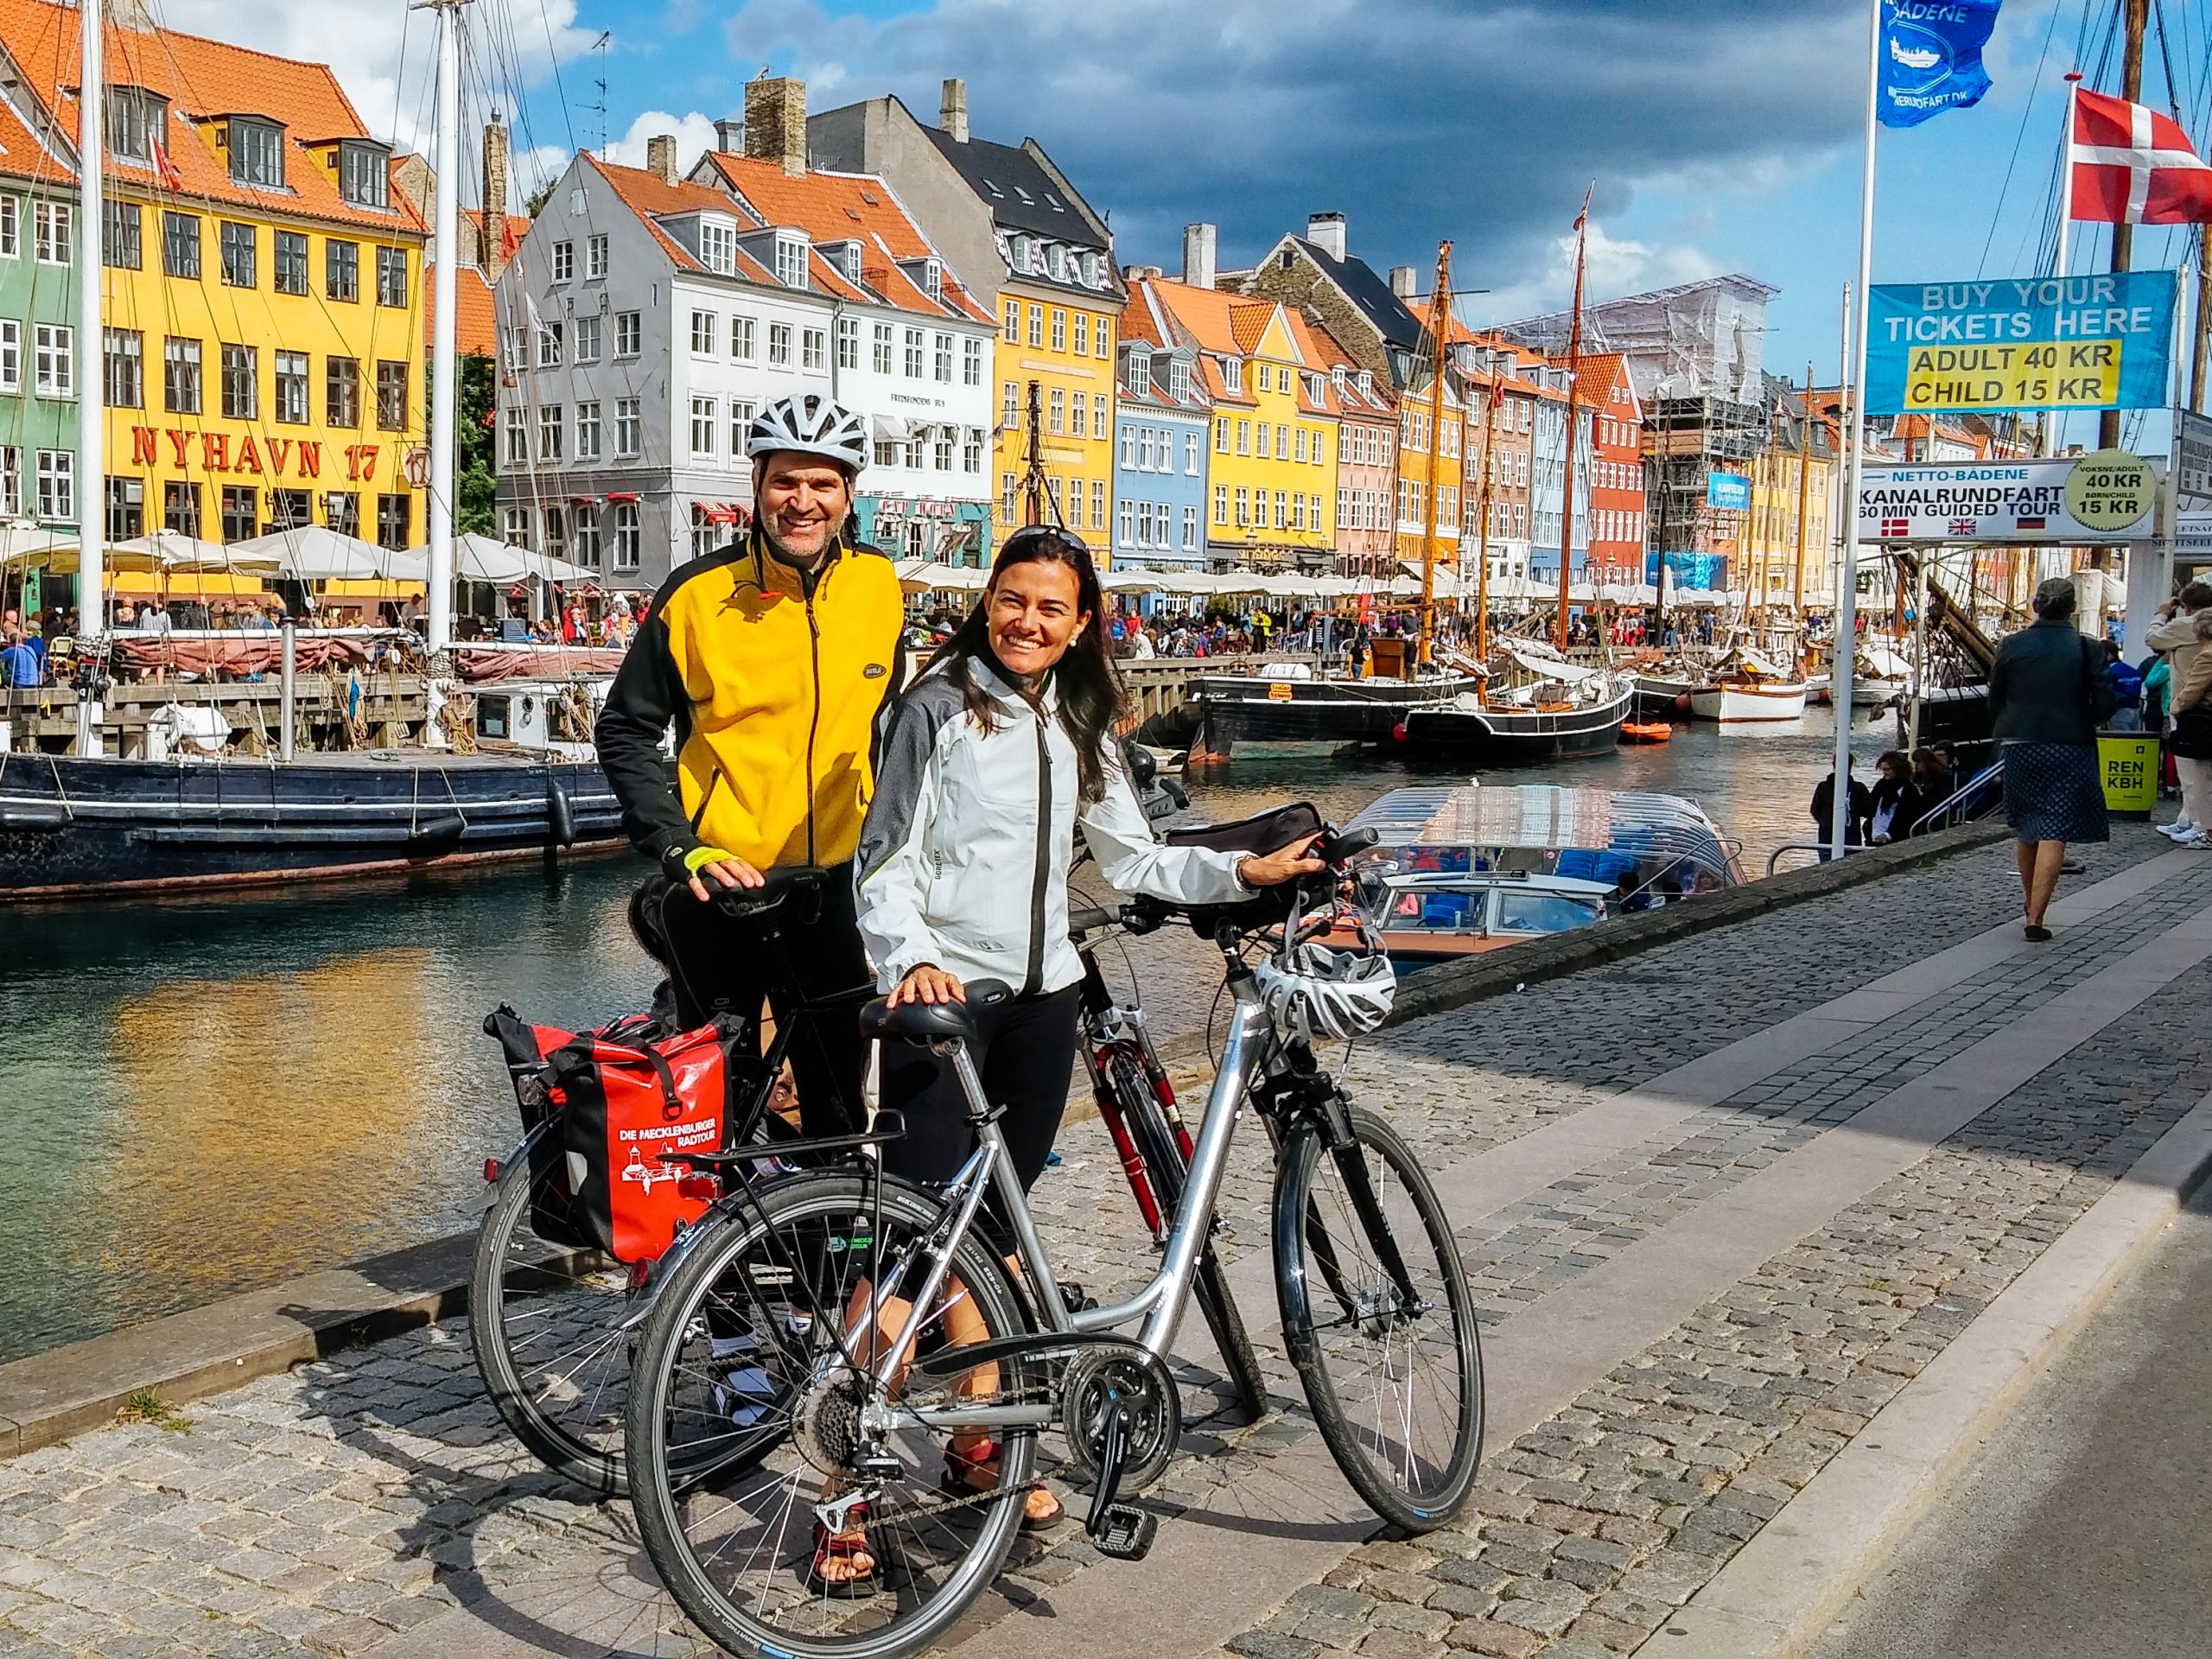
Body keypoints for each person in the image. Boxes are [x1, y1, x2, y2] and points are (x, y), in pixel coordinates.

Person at [848, 524, 1326, 1574]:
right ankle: (848, 1487)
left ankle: (981, 1451)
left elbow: (1133, 859)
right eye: (1012, 600)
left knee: (998, 1240)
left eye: (1049, 607)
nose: (1027, 621)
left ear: (1080, 623)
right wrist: (910, 960)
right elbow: (881, 862)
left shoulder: (1081, 719)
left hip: (1044, 1000)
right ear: (989, 603)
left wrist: (1238, 878)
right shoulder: (934, 709)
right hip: (949, 997)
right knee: (913, 1243)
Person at [594, 393, 901, 1138]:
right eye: (784, 482)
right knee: (716, 1114)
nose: (803, 502)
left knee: (836, 1106)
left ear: (849, 494)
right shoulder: (697, 598)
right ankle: (712, 1254)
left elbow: (890, 734)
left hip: (833, 895)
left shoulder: (878, 588)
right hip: (727, 893)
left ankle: (829, 1250)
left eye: (822, 484)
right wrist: (678, 845)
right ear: (757, 487)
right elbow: (626, 730)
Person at [1989, 576, 2114, 940]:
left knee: (2028, 826)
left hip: (2019, 742)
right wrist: (2082, 715)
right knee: (2055, 826)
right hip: (2069, 743)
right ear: (2072, 609)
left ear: (2036, 606)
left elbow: (1996, 696)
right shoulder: (2084, 647)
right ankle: (2036, 918)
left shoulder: (2012, 645)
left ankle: (2030, 904)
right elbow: (2105, 702)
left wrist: (2007, 725)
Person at [2148, 582, 2211, 840]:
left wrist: (2162, 614)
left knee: (2194, 770)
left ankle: (2200, 824)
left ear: (2186, 607)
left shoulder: (2187, 625)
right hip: (2199, 709)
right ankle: (2188, 818)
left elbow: (2152, 637)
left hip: (2193, 709)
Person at [2161, 607, 2212, 846]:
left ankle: (2207, 831)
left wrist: (2176, 707)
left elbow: (2194, 689)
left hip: (2205, 721)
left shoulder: (2207, 655)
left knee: (2202, 779)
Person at [1810, 760, 1871, 858]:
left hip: (1827, 838)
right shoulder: (1858, 788)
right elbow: (1869, 811)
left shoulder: (1823, 787)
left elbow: (1815, 810)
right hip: (1850, 839)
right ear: (1850, 767)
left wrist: (1826, 821)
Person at [1865, 748, 1923, 846]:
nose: (1884, 772)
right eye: (1883, 769)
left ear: (1898, 769)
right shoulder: (1880, 785)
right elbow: (1872, 806)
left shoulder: (1908, 789)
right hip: (1875, 834)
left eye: (1887, 769)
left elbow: (1908, 816)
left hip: (1896, 838)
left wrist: (1889, 834)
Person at [2105, 639, 2144, 732]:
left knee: (2120, 740)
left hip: (2119, 711)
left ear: (2109, 655)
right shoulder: (2132, 670)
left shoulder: (2109, 672)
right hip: (2136, 710)